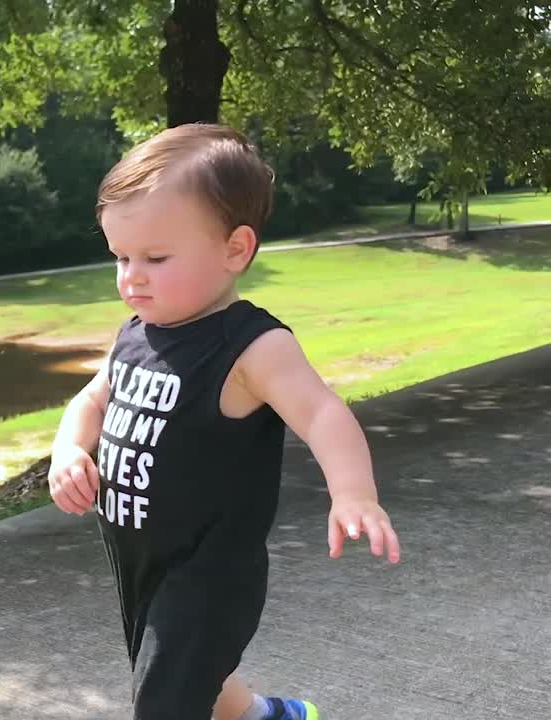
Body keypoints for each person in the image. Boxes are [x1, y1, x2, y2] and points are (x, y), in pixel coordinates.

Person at [47, 123, 402, 720]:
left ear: (235, 249)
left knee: (165, 697)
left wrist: (353, 493)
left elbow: (321, 412)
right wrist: (68, 451)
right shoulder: (139, 334)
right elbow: (90, 402)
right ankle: (268, 716)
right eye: (121, 257)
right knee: (192, 675)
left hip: (208, 569)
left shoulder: (249, 346)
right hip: (139, 560)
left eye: (156, 258)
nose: (131, 276)